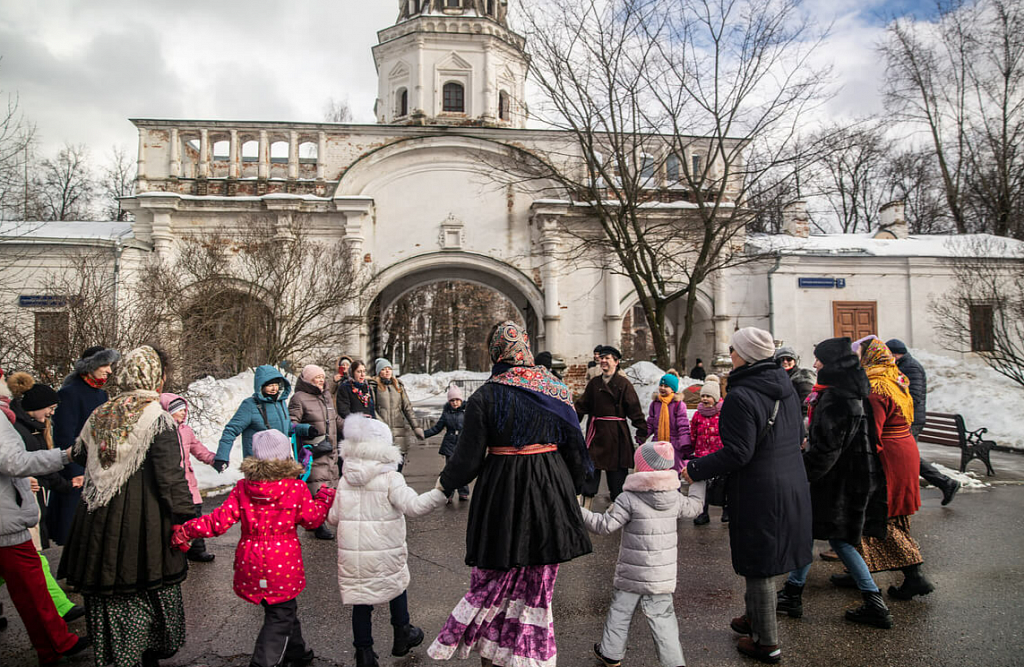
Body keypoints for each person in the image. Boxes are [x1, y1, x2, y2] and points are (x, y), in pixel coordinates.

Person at [428, 321, 593, 667]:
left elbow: (468, 458)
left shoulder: (486, 395)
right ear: (526, 348)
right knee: (538, 578)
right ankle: (528, 651)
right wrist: (576, 491)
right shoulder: (555, 388)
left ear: (495, 353)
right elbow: (576, 447)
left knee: (495, 571)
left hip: (502, 490)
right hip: (551, 488)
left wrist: (443, 486)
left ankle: (493, 651)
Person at [59, 346, 195, 667]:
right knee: (144, 583)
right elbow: (169, 477)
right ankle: (146, 648)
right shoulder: (157, 418)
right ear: (156, 378)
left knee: (109, 585)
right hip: (141, 520)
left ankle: (119, 652)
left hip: (96, 516)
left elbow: (79, 453)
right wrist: (187, 519)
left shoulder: (102, 412)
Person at [683, 327, 811, 665]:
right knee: (764, 554)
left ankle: (767, 642)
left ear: (747, 355)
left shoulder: (742, 395)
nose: (730, 355)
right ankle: (755, 616)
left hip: (760, 487)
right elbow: (800, 433)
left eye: (734, 350)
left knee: (759, 562)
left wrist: (694, 470)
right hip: (791, 481)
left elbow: (738, 453)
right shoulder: (786, 387)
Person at [172, 429, 336, 667]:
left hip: (250, 560)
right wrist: (324, 499)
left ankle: (297, 652)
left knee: (282, 607)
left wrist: (188, 530)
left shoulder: (243, 488)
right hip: (281, 563)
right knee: (280, 614)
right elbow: (312, 520)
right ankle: (263, 662)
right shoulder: (295, 488)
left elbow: (218, 521)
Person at [775, 338, 892, 628]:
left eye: (820, 361)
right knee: (829, 536)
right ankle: (794, 592)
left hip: (837, 482)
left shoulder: (838, 398)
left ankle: (872, 603)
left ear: (833, 365)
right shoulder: (847, 392)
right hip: (847, 478)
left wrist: (801, 473)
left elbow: (828, 450)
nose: (815, 365)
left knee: (830, 537)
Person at [325, 415, 445, 667]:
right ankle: (402, 635)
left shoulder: (345, 480)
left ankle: (364, 654)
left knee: (361, 602)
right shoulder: (391, 479)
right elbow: (413, 506)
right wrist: (439, 493)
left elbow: (333, 518)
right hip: (386, 553)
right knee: (396, 587)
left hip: (354, 557)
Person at [583, 441, 707, 667]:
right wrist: (699, 479)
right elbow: (696, 507)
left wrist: (576, 510)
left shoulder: (628, 498)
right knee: (663, 617)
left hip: (631, 573)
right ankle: (674, 662)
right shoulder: (675, 498)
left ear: (642, 468)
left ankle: (610, 653)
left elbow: (604, 526)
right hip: (662, 576)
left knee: (620, 611)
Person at [0, 403, 91, 665]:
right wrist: (67, 455)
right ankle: (55, 646)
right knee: (32, 589)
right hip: (6, 521)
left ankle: (58, 642)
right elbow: (14, 461)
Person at [853, 337, 934, 601]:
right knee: (894, 513)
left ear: (868, 357)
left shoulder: (875, 387)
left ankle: (915, 576)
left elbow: (872, 433)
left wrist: (863, 461)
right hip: (904, 447)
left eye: (858, 353)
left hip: (888, 452)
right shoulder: (894, 378)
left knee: (881, 514)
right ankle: (858, 569)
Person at [6, 373, 86, 621]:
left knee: (29, 562)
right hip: (16, 507)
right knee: (33, 561)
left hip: (21, 505)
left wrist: (66, 484)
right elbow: (24, 464)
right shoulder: (19, 431)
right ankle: (61, 611)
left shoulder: (32, 429)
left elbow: (41, 469)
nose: (51, 414)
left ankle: (59, 612)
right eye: (49, 408)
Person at [49, 345, 120, 546]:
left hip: (96, 469)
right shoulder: (69, 393)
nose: (109, 370)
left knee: (93, 530)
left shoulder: (101, 394)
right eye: (105, 365)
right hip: (78, 470)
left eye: (110, 365)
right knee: (73, 529)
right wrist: (74, 471)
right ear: (91, 366)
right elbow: (64, 436)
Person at [886, 338, 960, 505]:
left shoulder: (911, 367)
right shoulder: (901, 366)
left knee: (909, 457)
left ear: (896, 354)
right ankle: (945, 483)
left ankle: (945, 483)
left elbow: (914, 396)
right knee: (909, 457)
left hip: (911, 420)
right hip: (907, 418)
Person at [575, 345, 647, 507]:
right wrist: (571, 423)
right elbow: (582, 406)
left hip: (617, 435)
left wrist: (642, 431)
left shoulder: (623, 384)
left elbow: (634, 409)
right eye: (602, 358)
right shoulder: (594, 383)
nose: (603, 361)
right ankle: (585, 508)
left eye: (607, 358)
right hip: (596, 433)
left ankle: (618, 508)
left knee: (617, 474)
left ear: (616, 362)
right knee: (590, 470)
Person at [213, 365, 313, 472]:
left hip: (283, 463)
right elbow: (231, 430)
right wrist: (222, 457)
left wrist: (306, 429)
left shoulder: (280, 403)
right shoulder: (250, 405)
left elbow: (286, 428)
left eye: (276, 385)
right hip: (260, 467)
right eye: (270, 385)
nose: (274, 389)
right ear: (261, 386)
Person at [159, 393, 217, 562]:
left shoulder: (186, 431)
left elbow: (198, 449)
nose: (184, 413)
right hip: (171, 481)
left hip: (188, 481)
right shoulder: (161, 432)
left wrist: (214, 459)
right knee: (173, 517)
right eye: (179, 411)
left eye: (185, 410)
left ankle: (197, 549)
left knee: (195, 515)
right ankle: (174, 549)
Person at [289, 364, 343, 540]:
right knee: (316, 486)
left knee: (329, 483)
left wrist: (354, 426)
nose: (320, 380)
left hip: (330, 448)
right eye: (316, 377)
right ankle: (318, 523)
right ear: (307, 379)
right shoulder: (299, 398)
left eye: (322, 377)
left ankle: (319, 518)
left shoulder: (326, 396)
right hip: (312, 449)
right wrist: (305, 429)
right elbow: (291, 423)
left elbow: (334, 419)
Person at [369, 359, 425, 470]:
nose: (387, 372)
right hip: (382, 434)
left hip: (399, 432)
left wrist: (416, 427)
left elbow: (407, 408)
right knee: (383, 468)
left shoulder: (398, 386)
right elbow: (372, 409)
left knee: (398, 467)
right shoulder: (373, 386)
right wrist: (382, 426)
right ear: (379, 372)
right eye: (383, 369)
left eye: (389, 369)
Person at [690, 376, 726, 525]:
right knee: (702, 487)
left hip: (718, 454)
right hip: (701, 454)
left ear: (716, 398)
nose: (705, 399)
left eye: (708, 396)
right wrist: (691, 446)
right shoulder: (698, 415)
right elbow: (693, 432)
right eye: (703, 396)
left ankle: (726, 510)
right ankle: (702, 513)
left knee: (721, 485)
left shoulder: (722, 413)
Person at [424, 385, 469, 503]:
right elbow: (437, 428)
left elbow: (474, 427)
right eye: (452, 400)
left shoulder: (467, 412)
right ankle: (449, 492)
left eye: (457, 400)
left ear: (461, 400)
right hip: (449, 444)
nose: (455, 403)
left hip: (462, 444)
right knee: (450, 469)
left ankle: (463, 492)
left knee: (462, 469)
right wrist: (424, 434)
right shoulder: (446, 414)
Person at [643, 372, 692, 471]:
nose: (662, 388)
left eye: (666, 386)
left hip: (674, 445)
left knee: (674, 472)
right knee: (657, 471)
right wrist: (643, 435)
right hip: (658, 443)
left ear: (673, 389)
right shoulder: (655, 404)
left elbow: (683, 425)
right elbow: (650, 423)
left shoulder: (678, 405)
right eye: (661, 385)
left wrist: (685, 443)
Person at [774, 346, 816, 417]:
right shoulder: (775, 377)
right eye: (781, 359)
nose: (785, 362)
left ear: (795, 361)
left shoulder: (802, 375)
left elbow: (807, 401)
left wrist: (804, 419)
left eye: (789, 359)